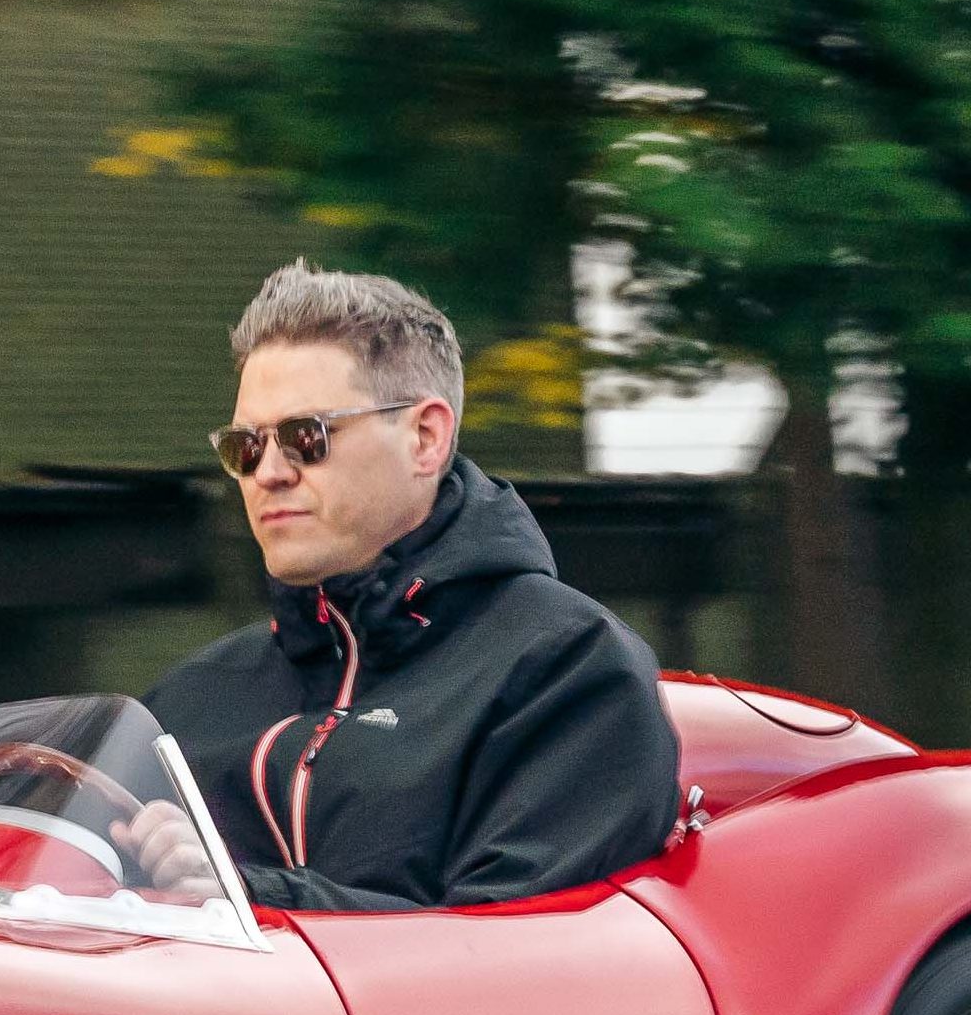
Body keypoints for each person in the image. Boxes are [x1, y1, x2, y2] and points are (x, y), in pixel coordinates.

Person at [120, 264, 683, 913]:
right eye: (245, 446)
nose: (268, 472)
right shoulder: (185, 700)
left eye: (308, 437)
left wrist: (244, 897)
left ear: (425, 437)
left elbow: (514, 959)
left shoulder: (569, 670)